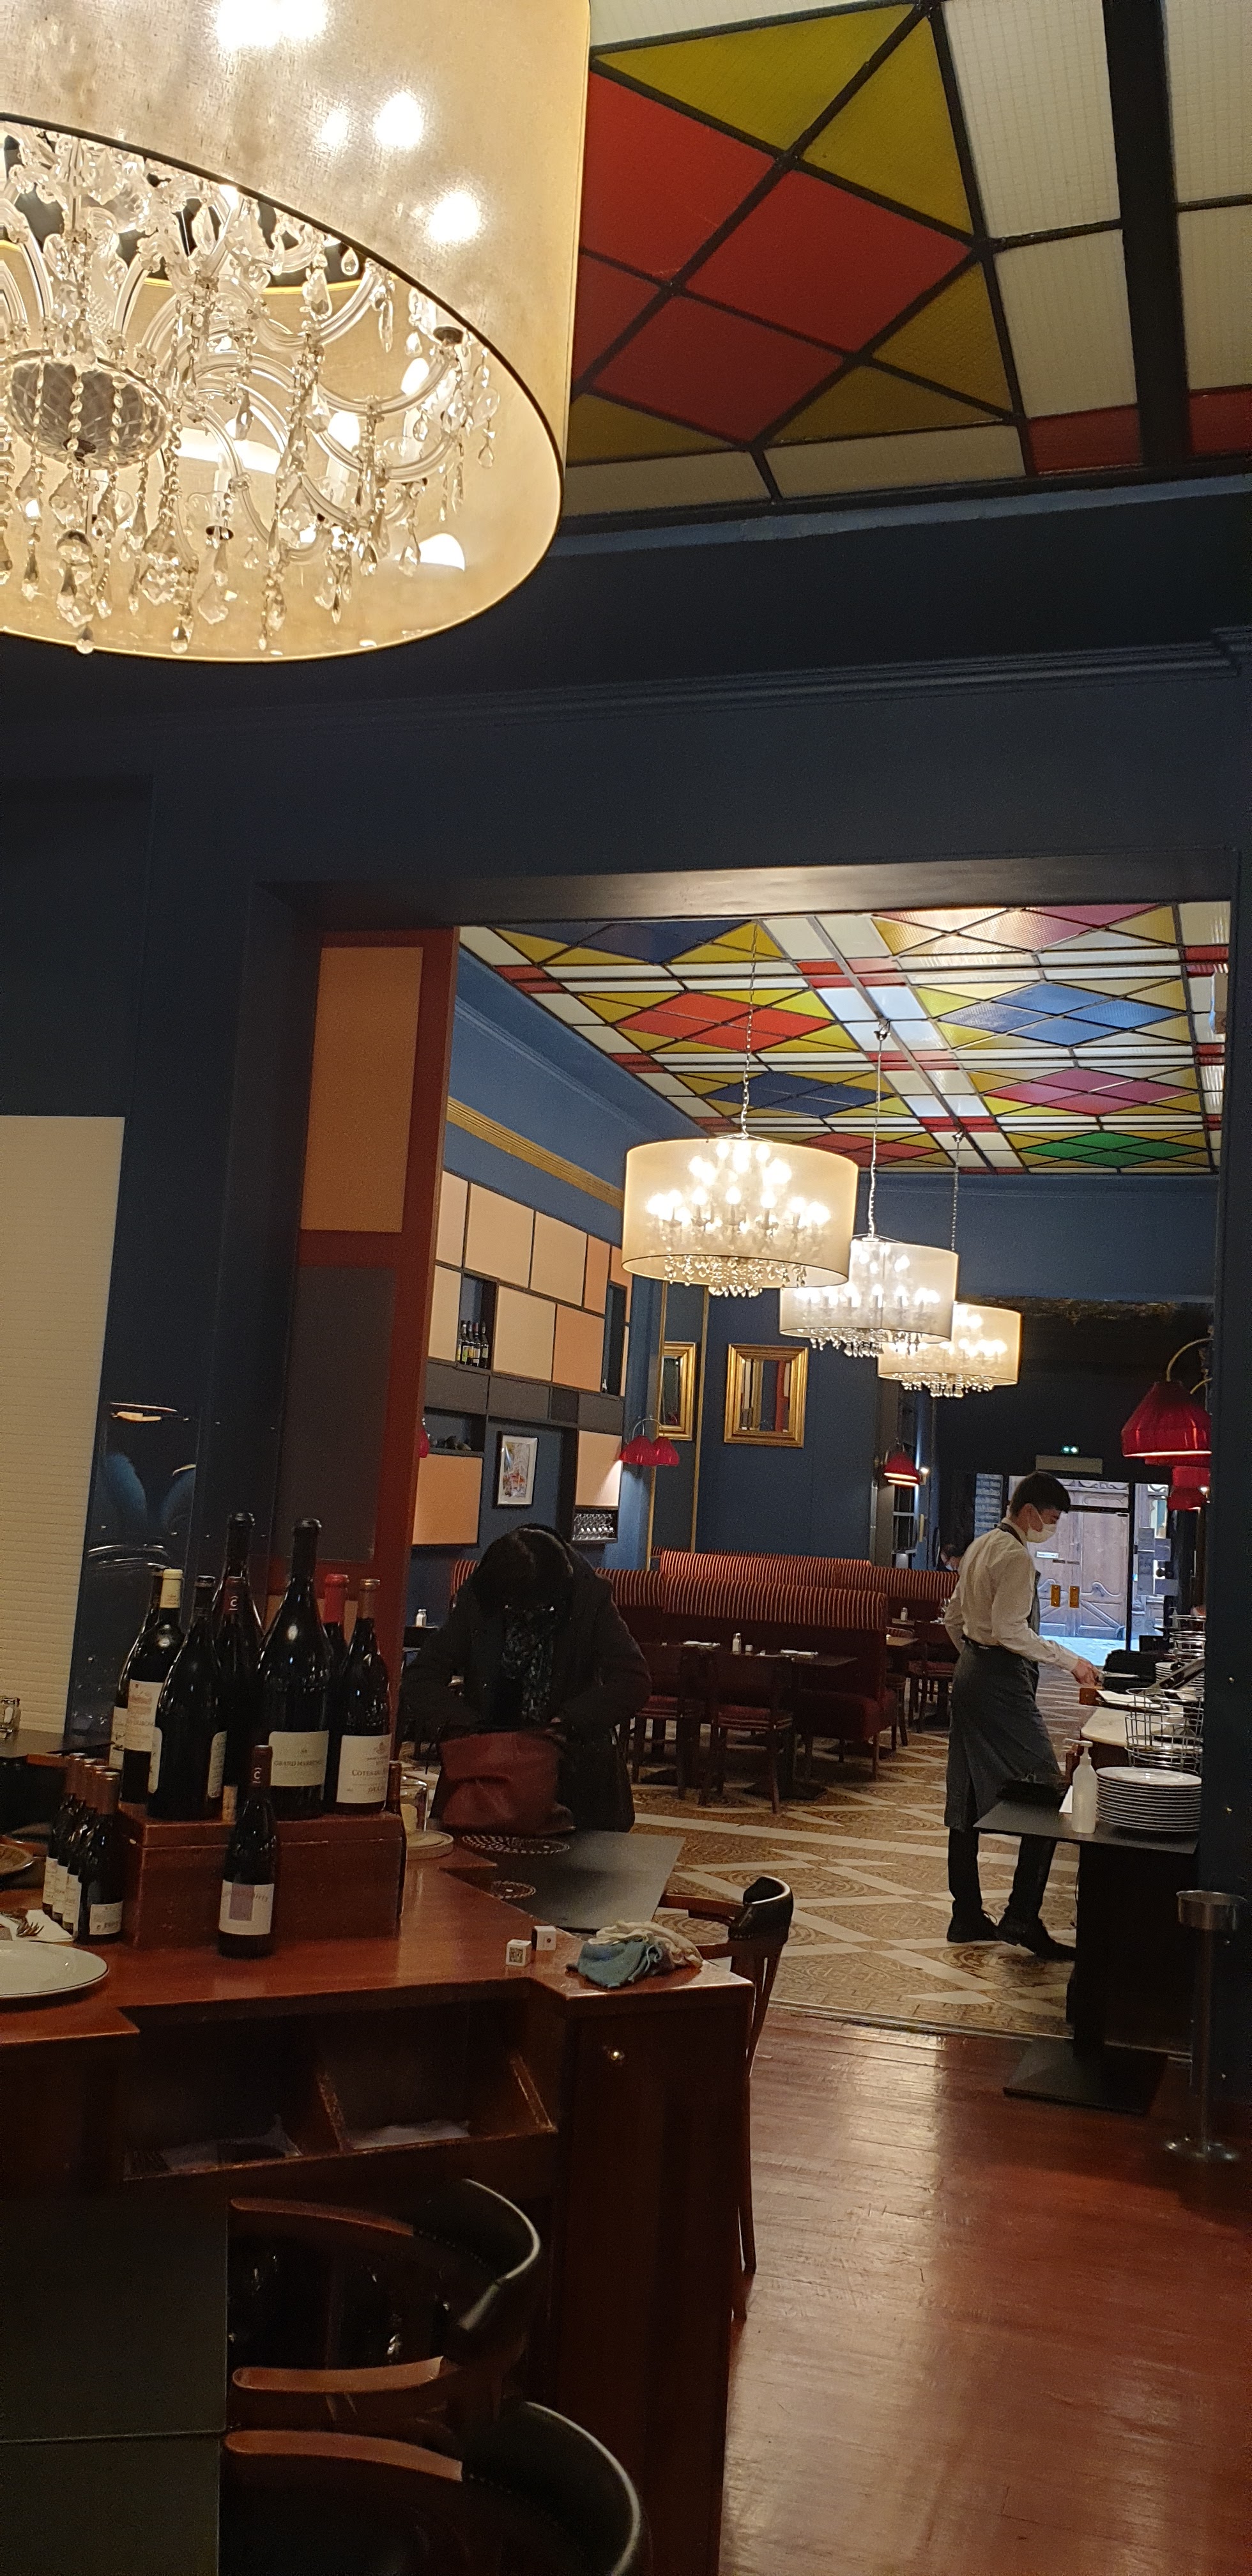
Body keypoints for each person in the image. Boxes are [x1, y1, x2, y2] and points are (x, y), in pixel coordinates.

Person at [942, 1473, 1097, 1959]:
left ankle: (966, 1914)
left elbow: (953, 1618)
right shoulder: (1014, 1556)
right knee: (1047, 1791)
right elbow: (1011, 1631)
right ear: (1029, 1511)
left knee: (966, 1796)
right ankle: (1022, 1917)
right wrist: (1070, 1661)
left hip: (970, 1675)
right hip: (998, 1681)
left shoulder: (980, 1545)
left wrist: (973, 1660)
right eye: (1050, 1518)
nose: (1052, 1527)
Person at [407, 1527, 648, 1831]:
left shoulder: (587, 1597)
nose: (520, 1615)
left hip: (570, 1770)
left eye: (532, 1608)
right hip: (484, 1769)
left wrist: (569, 1721)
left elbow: (633, 1681)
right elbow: (421, 1677)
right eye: (510, 1608)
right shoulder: (483, 1594)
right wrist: (464, 1726)